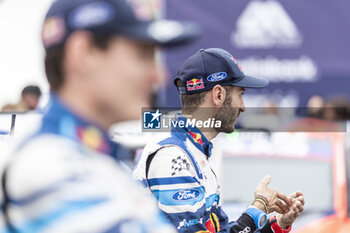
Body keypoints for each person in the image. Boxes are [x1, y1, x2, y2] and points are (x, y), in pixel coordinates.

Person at [0, 0, 199, 232]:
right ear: (83, 53)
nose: (159, 76)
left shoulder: (84, 155)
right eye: (142, 55)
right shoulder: (52, 169)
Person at [134, 48, 305, 233]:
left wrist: (276, 226)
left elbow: (223, 230)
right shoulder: (172, 156)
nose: (243, 107)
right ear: (218, 95)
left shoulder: (194, 150)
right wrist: (257, 209)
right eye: (240, 95)